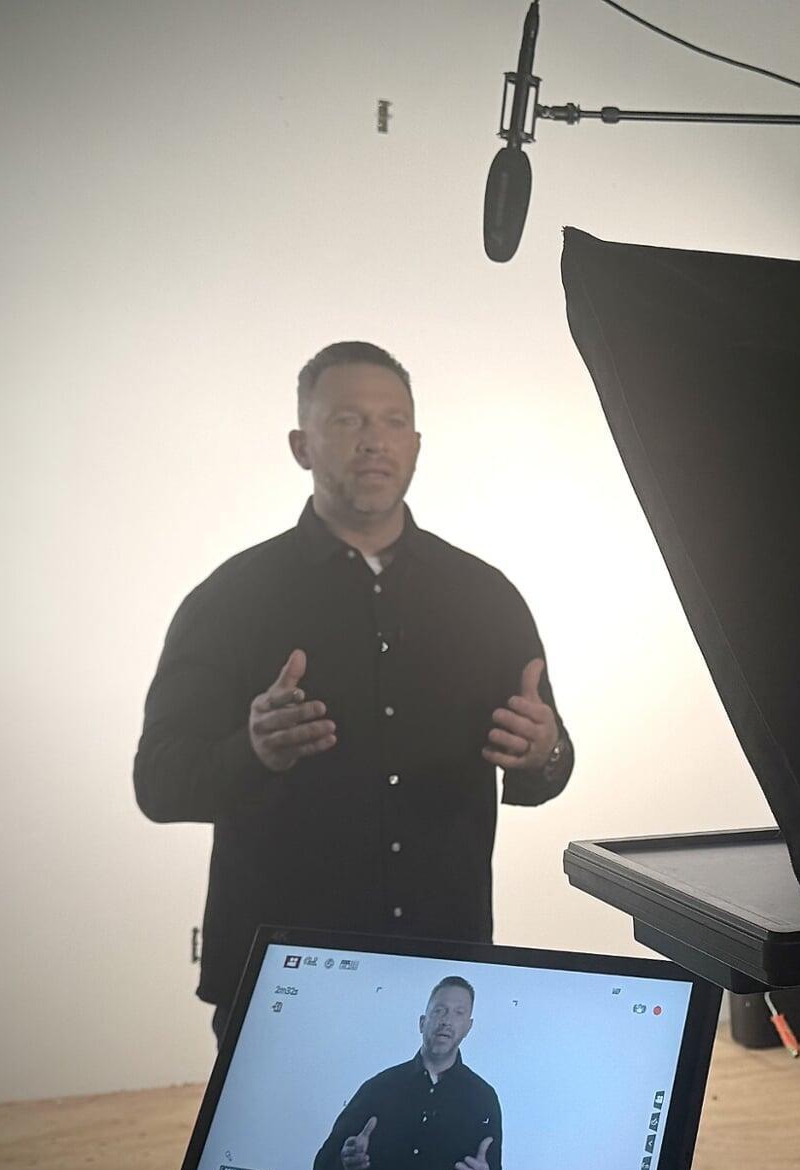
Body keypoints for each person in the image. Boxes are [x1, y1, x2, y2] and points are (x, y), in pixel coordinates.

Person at [134, 342, 573, 1039]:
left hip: (442, 970)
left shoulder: (486, 596)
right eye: (347, 420)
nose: (374, 440)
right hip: (282, 976)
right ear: (300, 445)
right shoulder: (229, 600)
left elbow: (551, 763)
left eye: (394, 421)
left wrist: (543, 751)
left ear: (417, 445)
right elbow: (158, 784)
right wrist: (252, 751)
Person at [313, 976, 502, 1170]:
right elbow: (322, 1169)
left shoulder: (483, 1098)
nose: (446, 1021)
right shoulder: (378, 1088)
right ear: (422, 1022)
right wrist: (345, 1164)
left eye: (458, 1013)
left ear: (468, 1027)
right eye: (439, 1011)